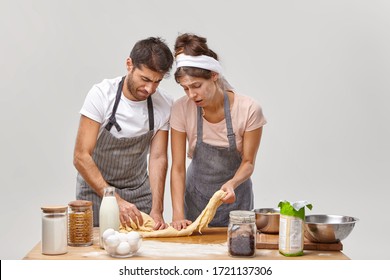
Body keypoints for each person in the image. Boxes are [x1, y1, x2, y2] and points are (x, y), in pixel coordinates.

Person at [73, 37, 174, 230]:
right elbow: (80, 156)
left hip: (138, 195)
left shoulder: (164, 104)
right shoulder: (101, 95)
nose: (150, 89)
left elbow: (158, 157)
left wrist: (157, 209)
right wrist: (115, 201)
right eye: (145, 79)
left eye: (157, 82)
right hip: (96, 192)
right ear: (129, 64)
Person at [169, 33, 267, 230]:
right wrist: (178, 214)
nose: (191, 94)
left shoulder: (249, 109)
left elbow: (248, 163)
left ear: (214, 75)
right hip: (195, 200)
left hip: (236, 200)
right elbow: (178, 167)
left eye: (197, 86)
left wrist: (232, 183)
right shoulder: (181, 108)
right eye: (185, 88)